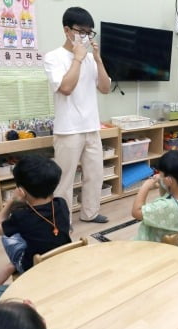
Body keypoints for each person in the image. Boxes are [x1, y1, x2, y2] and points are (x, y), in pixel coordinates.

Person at [44, 6, 111, 224]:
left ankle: (89, 213)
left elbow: (105, 88)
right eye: (81, 31)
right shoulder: (53, 57)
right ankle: (63, 222)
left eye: (89, 32)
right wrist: (78, 59)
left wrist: (98, 59)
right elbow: (66, 87)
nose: (85, 36)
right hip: (68, 130)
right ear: (67, 30)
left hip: (92, 127)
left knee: (95, 176)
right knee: (64, 180)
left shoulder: (91, 59)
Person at [0, 155, 71, 285]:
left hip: (32, 267)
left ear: (21, 191)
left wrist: (12, 200)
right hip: (62, 256)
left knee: (6, 236)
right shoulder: (61, 203)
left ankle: (14, 265)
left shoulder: (21, 216)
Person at [132, 150, 178, 243]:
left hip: (153, 249)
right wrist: (162, 182)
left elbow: (136, 212)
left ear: (169, 180)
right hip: (176, 249)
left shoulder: (165, 206)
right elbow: (166, 195)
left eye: (161, 174)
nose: (159, 176)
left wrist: (146, 186)